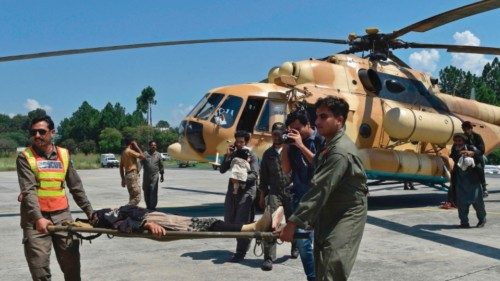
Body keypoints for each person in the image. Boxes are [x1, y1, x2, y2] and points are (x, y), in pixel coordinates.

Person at [277, 96, 369, 281]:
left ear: (339, 120)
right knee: (321, 260)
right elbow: (314, 163)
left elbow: (320, 189)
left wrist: (292, 223)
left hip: (346, 213)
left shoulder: (339, 151)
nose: (317, 122)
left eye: (323, 117)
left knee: (332, 265)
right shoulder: (329, 144)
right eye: (317, 116)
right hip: (329, 210)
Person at [16, 115, 94, 281]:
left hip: (63, 217)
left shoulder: (64, 155)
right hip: (35, 220)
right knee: (39, 271)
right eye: (33, 132)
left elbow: (76, 187)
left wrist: (91, 213)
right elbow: (29, 191)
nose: (37, 135)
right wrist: (38, 218)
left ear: (52, 132)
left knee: (72, 267)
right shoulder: (25, 157)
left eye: (42, 131)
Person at [281, 109, 323, 281]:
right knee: (303, 241)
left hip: (319, 198)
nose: (294, 132)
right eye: (291, 129)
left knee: (321, 242)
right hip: (301, 198)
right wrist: (285, 146)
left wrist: (300, 145)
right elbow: (286, 169)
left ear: (308, 125)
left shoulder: (321, 139)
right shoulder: (291, 144)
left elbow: (321, 164)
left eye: (297, 128)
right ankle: (312, 277)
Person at [89, 204, 273, 237]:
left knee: (204, 222)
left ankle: (253, 226)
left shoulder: (106, 213)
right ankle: (253, 227)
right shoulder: (104, 216)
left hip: (155, 216)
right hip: (153, 219)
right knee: (205, 223)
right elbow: (122, 226)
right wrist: (147, 224)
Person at [258, 122, 294, 271]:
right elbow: (263, 177)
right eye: (274, 134)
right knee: (271, 223)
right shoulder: (268, 154)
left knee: (294, 220)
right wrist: (261, 196)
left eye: (279, 134)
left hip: (291, 191)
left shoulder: (292, 151)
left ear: (284, 134)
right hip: (274, 192)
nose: (276, 136)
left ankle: (295, 246)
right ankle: (268, 257)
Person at [219, 130, 259, 263]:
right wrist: (228, 156)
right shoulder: (234, 153)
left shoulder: (251, 154)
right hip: (233, 192)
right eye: (238, 141)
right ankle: (243, 244)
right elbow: (222, 169)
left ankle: (240, 252)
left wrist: (240, 178)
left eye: (242, 142)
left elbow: (254, 175)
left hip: (246, 191)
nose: (239, 144)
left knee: (241, 222)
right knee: (229, 220)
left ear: (246, 142)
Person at [450, 133, 487, 228]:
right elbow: (453, 156)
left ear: (464, 141)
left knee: (478, 203)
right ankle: (464, 222)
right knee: (461, 203)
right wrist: (461, 154)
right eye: (456, 141)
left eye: (459, 141)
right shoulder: (454, 148)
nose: (457, 143)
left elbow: (480, 154)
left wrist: (472, 153)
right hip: (460, 180)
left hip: (473, 180)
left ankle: (482, 219)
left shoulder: (471, 147)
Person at [462, 121, 488, 197]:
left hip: (476, 157)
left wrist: (473, 152)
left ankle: (484, 187)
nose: (466, 131)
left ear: (471, 128)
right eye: (464, 129)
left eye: (467, 129)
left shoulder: (477, 136)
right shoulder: (462, 137)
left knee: (479, 168)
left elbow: (482, 150)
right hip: (465, 157)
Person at [120, 137, 145, 206]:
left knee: (132, 197)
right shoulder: (130, 151)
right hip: (133, 175)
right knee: (137, 197)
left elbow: (121, 167)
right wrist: (136, 146)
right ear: (131, 143)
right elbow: (142, 156)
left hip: (127, 176)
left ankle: (130, 213)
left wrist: (122, 179)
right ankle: (125, 209)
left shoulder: (123, 152)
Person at [141, 140, 164, 210]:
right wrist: (137, 172)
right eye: (152, 145)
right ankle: (148, 206)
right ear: (149, 146)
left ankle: (153, 207)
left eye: (155, 145)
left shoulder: (158, 155)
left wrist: (162, 174)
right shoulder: (145, 154)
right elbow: (140, 163)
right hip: (146, 175)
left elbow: (161, 165)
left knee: (153, 190)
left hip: (155, 175)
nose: (153, 146)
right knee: (146, 190)